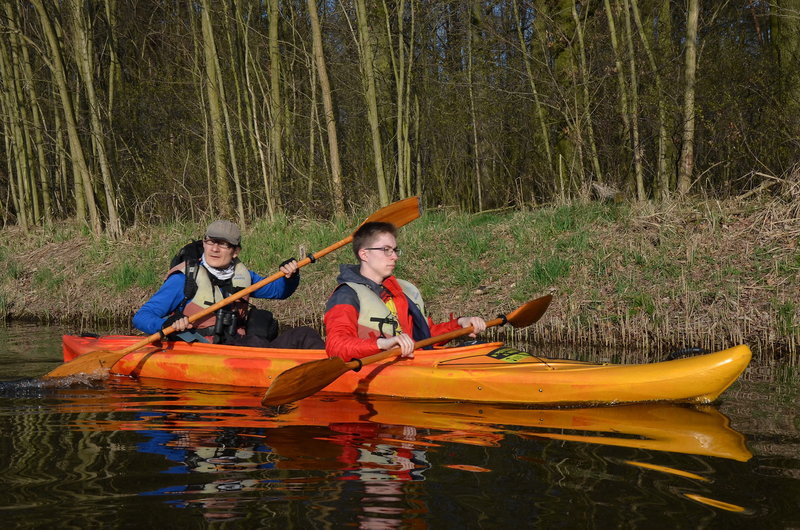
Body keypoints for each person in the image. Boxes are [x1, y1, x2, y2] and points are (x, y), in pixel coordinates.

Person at [133, 220, 324, 349]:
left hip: (240, 346)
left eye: (223, 244)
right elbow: (142, 317)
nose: (214, 249)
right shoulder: (184, 278)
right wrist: (167, 324)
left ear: (235, 251)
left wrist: (290, 276)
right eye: (210, 242)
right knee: (257, 342)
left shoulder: (244, 276)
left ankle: (333, 371)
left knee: (305, 335)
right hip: (201, 349)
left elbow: (279, 291)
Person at [324, 221, 487, 361]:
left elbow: (425, 335)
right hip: (376, 365)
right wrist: (382, 344)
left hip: (415, 362)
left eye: (395, 250)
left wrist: (459, 325)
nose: (394, 256)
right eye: (386, 250)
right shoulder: (346, 295)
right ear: (364, 254)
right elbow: (336, 346)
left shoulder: (401, 290)